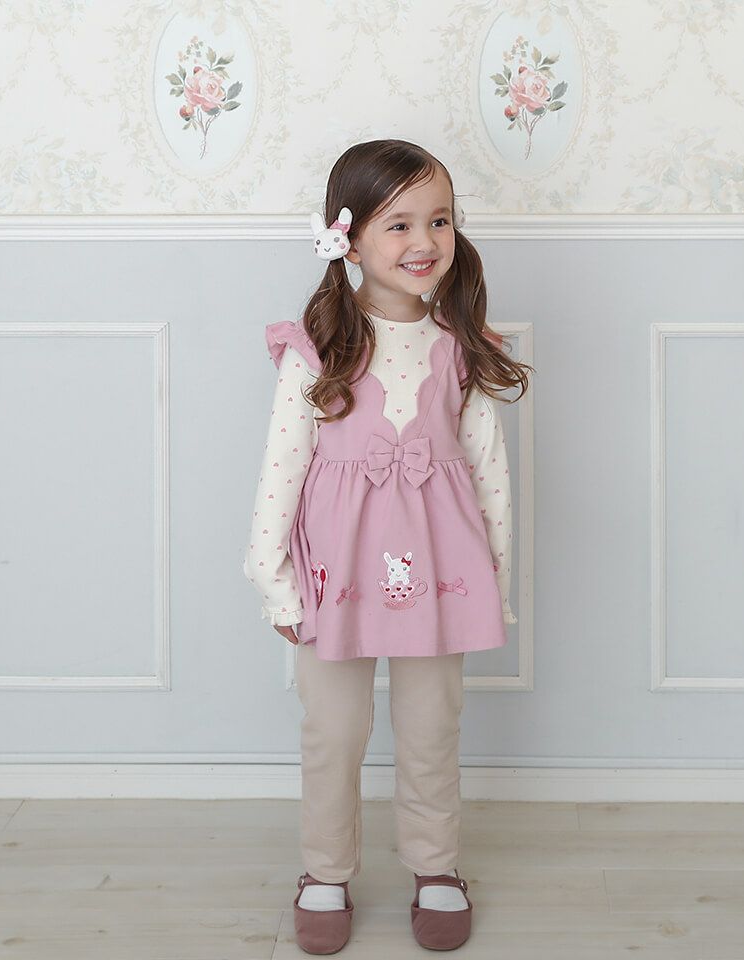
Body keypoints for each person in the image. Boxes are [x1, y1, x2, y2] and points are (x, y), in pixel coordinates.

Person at [243, 139, 533, 953]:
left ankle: (436, 865)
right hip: (335, 574)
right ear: (349, 238)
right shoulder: (316, 348)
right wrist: (273, 579)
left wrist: (496, 580)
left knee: (432, 725)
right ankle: (325, 870)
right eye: (399, 223)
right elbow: (281, 467)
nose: (424, 240)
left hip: (441, 571)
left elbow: (489, 473)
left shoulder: (461, 346)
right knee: (333, 731)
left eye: (439, 220)